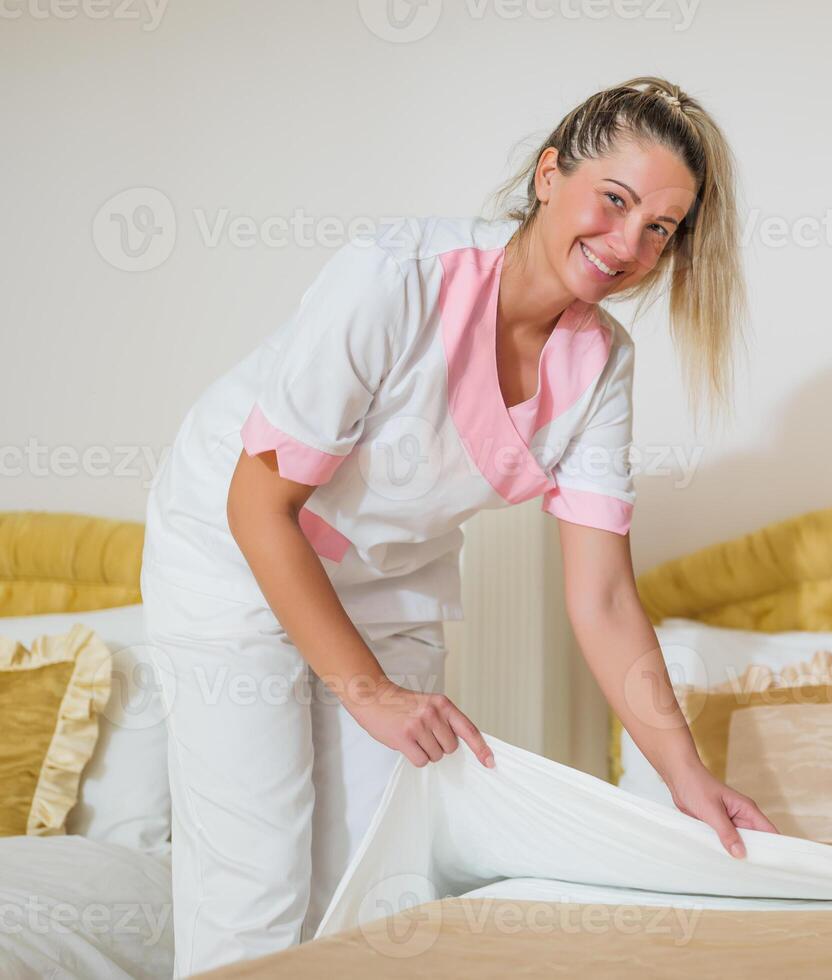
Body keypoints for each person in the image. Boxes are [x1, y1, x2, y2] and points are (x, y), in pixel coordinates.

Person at [140, 75, 778, 976]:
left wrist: (686, 778)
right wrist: (369, 695)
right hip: (233, 556)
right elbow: (259, 506)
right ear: (551, 174)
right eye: (615, 201)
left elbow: (600, 597)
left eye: (659, 229)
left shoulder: (602, 367)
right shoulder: (394, 279)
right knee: (255, 881)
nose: (627, 245)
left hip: (385, 581)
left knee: (381, 880)